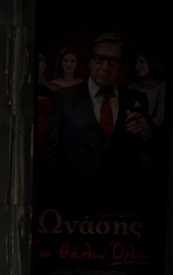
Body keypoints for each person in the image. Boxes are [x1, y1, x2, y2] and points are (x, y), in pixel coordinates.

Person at [42, 31, 155, 197]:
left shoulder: (136, 99)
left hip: (124, 202)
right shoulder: (65, 98)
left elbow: (153, 151)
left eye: (113, 60)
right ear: (90, 60)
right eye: (99, 58)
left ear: (121, 64)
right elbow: (52, 154)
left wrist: (148, 134)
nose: (105, 67)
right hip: (75, 200)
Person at [128, 47, 165, 128]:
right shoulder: (131, 87)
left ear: (151, 62)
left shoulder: (161, 86)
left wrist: (145, 128)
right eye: (135, 63)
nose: (138, 66)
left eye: (142, 62)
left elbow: (159, 119)